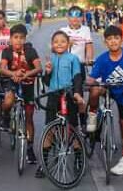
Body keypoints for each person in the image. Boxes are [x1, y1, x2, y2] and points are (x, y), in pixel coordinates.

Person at [87, 25, 123, 175]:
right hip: (108, 89)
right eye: (110, 39)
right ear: (105, 42)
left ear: (122, 40)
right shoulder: (102, 59)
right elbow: (92, 78)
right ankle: (92, 115)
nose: (113, 41)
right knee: (94, 90)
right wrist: (87, 82)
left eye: (116, 38)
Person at [35, 30, 86, 178]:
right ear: (52, 45)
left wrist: (77, 93)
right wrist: (48, 71)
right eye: (56, 42)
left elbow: (77, 77)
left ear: (68, 43)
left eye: (62, 41)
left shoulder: (73, 58)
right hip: (53, 96)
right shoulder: (51, 59)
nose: (59, 44)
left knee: (71, 128)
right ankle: (44, 163)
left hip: (68, 95)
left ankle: (78, 158)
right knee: (49, 129)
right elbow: (46, 82)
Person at [0, 24, 42, 165]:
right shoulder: (7, 51)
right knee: (8, 100)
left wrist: (25, 75)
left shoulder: (30, 51)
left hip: (28, 84)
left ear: (25, 39)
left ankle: (29, 148)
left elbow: (38, 68)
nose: (18, 41)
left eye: (21, 38)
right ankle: (5, 117)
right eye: (15, 37)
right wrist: (14, 74)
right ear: (10, 39)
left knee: (29, 117)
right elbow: (3, 69)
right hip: (11, 81)